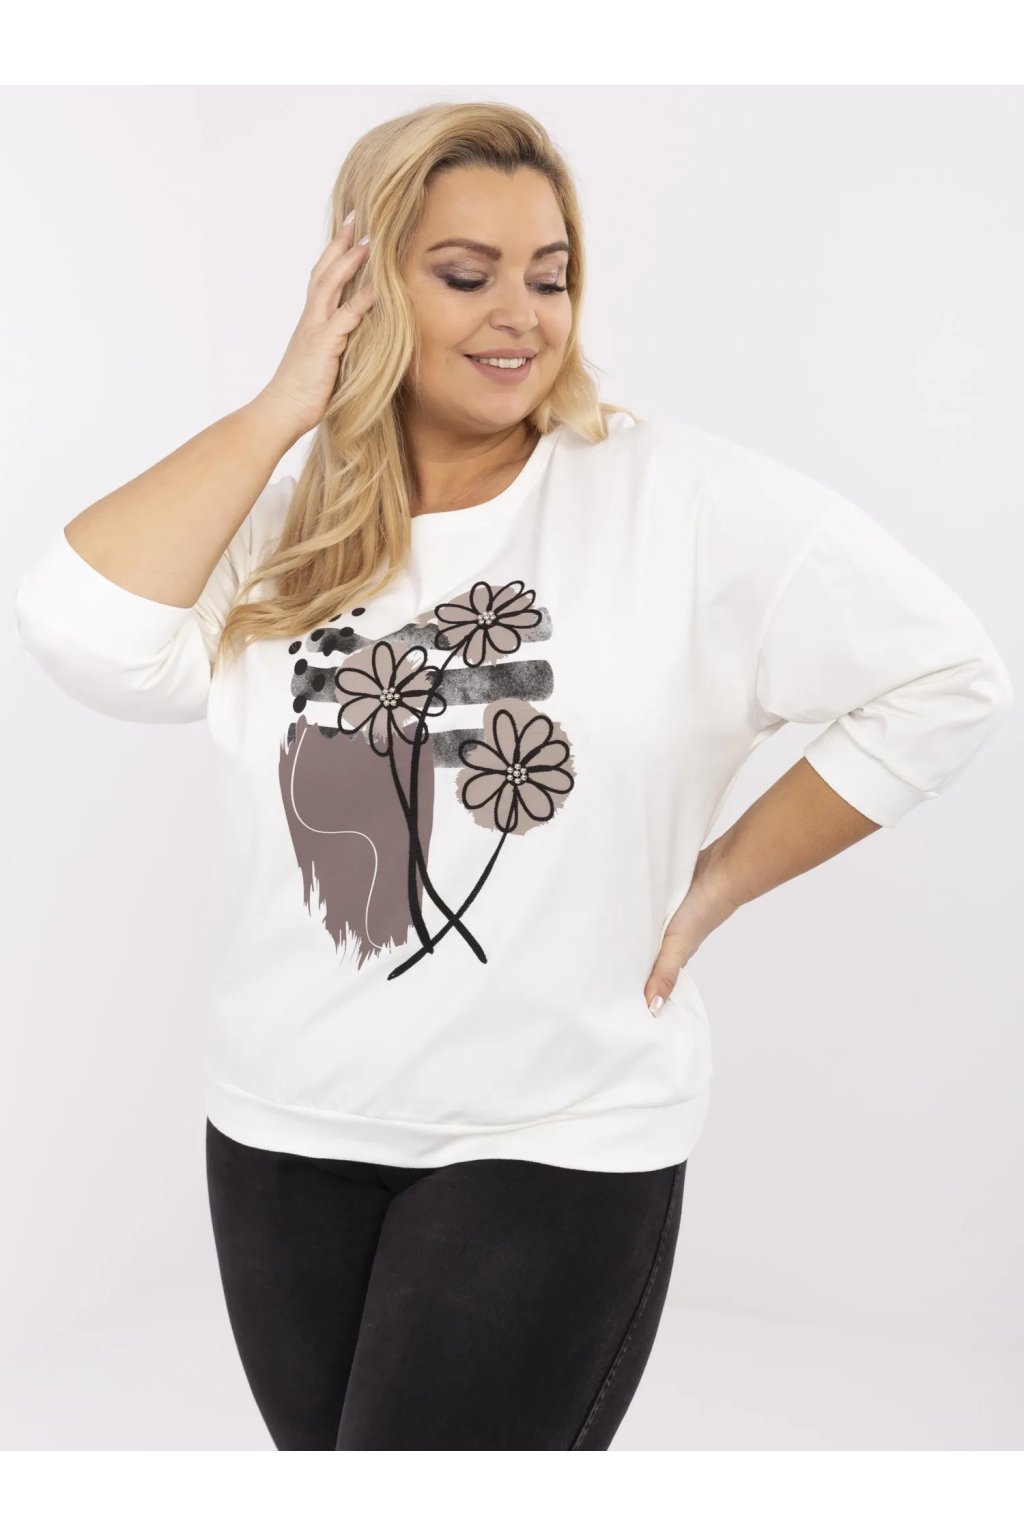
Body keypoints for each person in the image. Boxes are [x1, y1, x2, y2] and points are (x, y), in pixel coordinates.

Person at [12, 102, 1013, 1452]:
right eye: (464, 273)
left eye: (550, 275)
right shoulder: (283, 527)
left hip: (555, 1137)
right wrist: (284, 404)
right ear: (365, 289)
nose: (521, 315)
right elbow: (78, 629)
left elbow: (944, 679)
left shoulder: (678, 502)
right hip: (283, 1132)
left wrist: (721, 877)